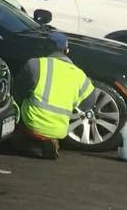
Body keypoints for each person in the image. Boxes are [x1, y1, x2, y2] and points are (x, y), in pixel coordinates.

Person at [13, 32, 93, 160]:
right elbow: (88, 104)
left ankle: (26, 141)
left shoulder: (35, 64)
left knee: (15, 102)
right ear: (67, 50)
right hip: (60, 128)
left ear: (45, 47)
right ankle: (51, 139)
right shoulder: (80, 75)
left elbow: (18, 91)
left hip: (32, 122)